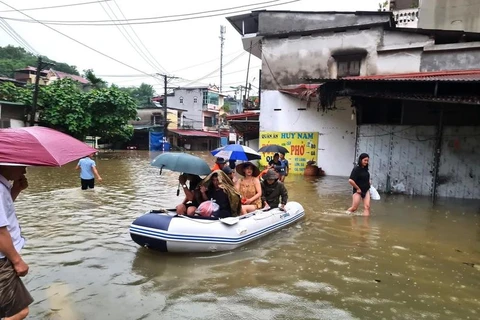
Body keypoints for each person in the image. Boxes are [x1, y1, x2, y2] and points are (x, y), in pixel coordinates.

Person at [0, 165, 34, 320]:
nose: (24, 171)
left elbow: (4, 212)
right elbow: (0, 231)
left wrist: (15, 190)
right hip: (2, 260)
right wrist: (17, 261)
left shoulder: (3, 187)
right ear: (6, 164)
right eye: (21, 166)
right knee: (19, 311)